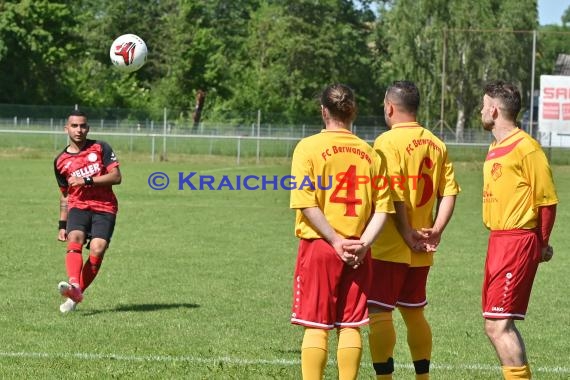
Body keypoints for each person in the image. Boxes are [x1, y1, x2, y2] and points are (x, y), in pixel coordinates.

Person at [289, 83, 395, 380]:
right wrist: (362, 244)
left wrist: (334, 240)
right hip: (358, 249)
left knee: (317, 325)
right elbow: (383, 208)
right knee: (351, 324)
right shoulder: (370, 153)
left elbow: (305, 202)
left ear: (324, 111)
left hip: (321, 246)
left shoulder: (307, 148)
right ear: (353, 111)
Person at [367, 81, 460, 380]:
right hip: (423, 245)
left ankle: (385, 378)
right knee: (414, 312)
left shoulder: (386, 142)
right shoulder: (436, 143)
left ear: (390, 107)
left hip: (391, 245)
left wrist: (406, 232)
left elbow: (394, 194)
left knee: (379, 312)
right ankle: (423, 378)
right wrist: (436, 231)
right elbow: (450, 192)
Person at [479, 80, 558, 380]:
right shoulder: (497, 147)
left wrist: (541, 243)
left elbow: (547, 201)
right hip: (498, 240)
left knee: (499, 325)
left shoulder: (527, 148)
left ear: (494, 110)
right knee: (494, 323)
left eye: (484, 105)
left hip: (517, 241)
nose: (481, 110)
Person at [54, 110, 122, 313]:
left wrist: (87, 180)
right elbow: (65, 195)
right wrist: (62, 224)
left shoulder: (100, 147)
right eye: (74, 126)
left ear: (88, 128)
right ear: (66, 128)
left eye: (82, 126)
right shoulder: (60, 161)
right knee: (74, 237)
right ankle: (74, 284)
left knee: (98, 248)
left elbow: (116, 177)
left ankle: (75, 295)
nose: (79, 130)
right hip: (79, 206)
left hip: (105, 206)